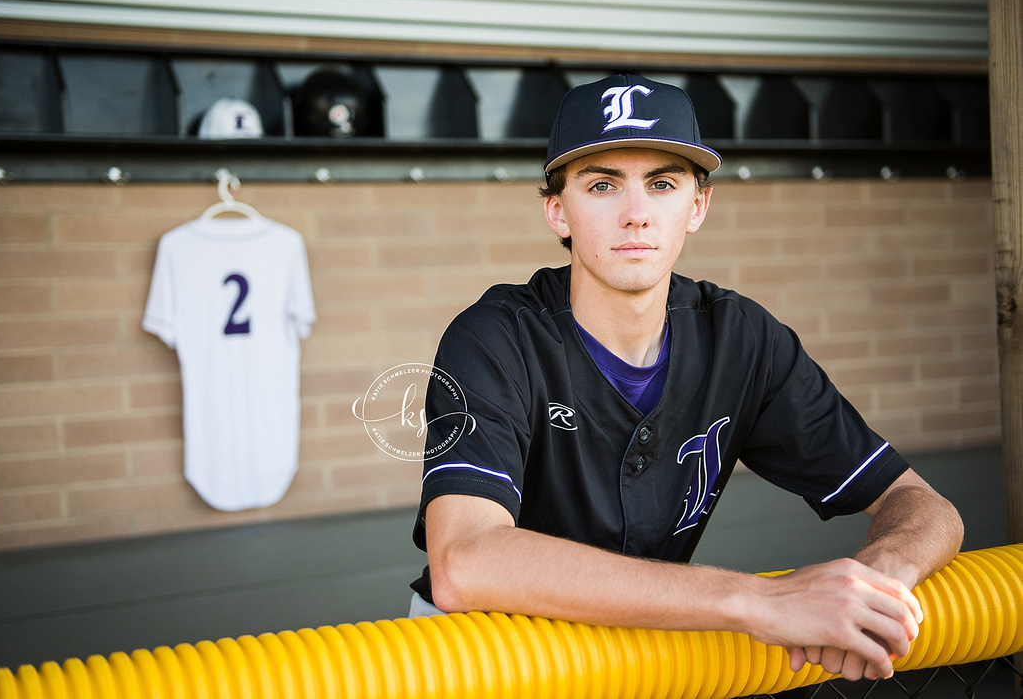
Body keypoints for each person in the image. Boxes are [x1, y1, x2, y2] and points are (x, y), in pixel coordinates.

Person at [409, 74, 963, 682]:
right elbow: (466, 564)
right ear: (557, 211)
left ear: (697, 206)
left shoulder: (742, 339)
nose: (637, 215)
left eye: (663, 184)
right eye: (602, 185)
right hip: (476, 662)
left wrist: (876, 580)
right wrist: (760, 600)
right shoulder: (493, 336)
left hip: (641, 659)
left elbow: (923, 505)